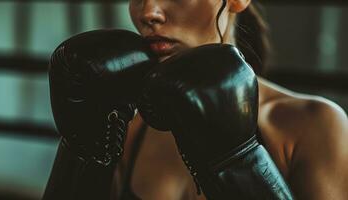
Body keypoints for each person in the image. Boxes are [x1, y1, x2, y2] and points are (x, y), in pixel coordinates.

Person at [44, 0, 348, 199]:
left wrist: (239, 162)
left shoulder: (315, 127)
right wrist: (80, 152)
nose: (149, 12)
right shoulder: (125, 130)